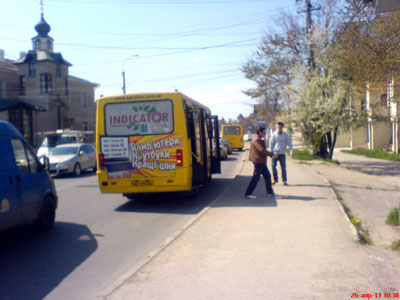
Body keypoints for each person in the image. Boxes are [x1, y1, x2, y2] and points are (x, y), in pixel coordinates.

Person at [245, 127, 276, 199]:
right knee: (256, 177)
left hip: (261, 161)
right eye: (264, 133)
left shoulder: (259, 139)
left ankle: (270, 192)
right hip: (258, 161)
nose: (265, 134)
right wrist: (272, 154)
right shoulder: (257, 140)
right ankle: (248, 193)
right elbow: (262, 150)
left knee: (267, 176)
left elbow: (263, 150)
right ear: (260, 132)